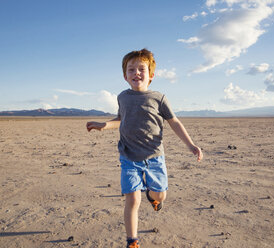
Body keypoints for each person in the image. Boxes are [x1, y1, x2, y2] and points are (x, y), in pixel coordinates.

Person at [86, 48, 203, 248]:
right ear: (125, 76)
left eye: (141, 69)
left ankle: (153, 196)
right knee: (132, 200)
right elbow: (120, 120)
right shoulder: (123, 97)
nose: (136, 73)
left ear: (151, 76)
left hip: (154, 157)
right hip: (129, 157)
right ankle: (132, 241)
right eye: (131, 69)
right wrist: (104, 125)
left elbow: (174, 122)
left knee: (160, 195)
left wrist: (191, 145)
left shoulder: (159, 98)